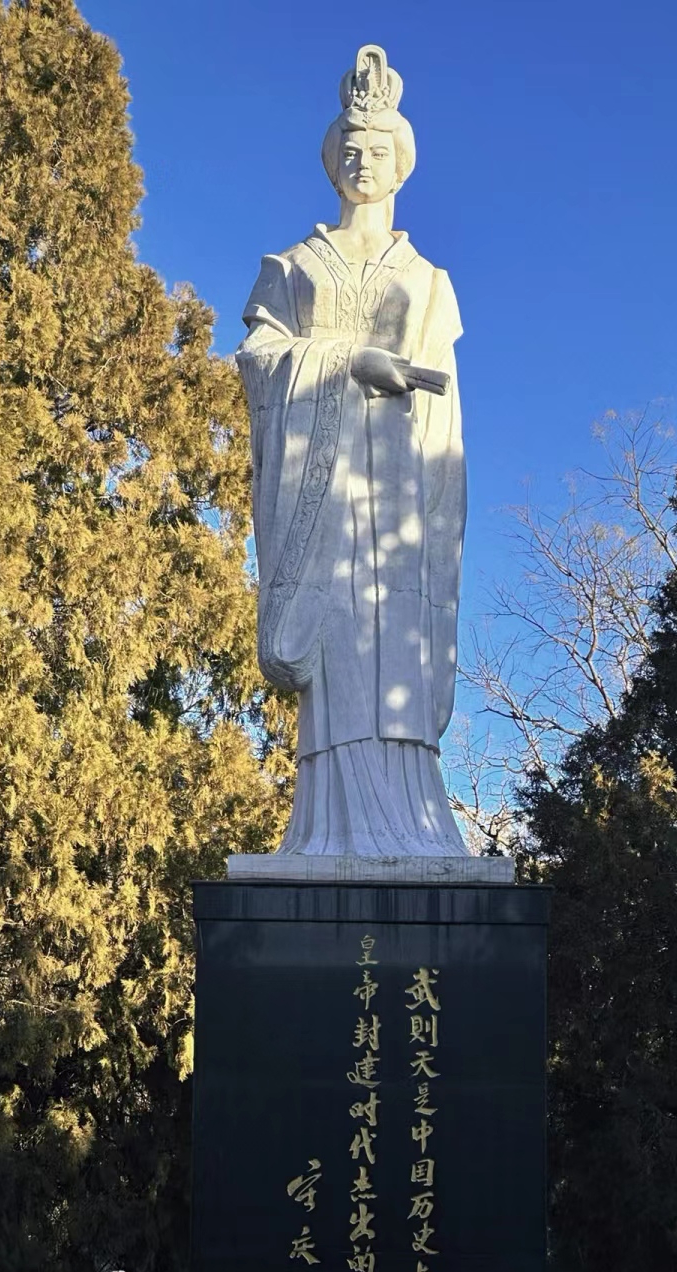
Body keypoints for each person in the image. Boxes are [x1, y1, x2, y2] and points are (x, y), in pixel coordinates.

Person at [237, 45, 468, 857]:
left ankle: (412, 819)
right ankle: (329, 826)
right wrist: (344, 362)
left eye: (378, 150)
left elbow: (448, 420)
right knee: (339, 657)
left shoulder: (429, 279)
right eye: (351, 149)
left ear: (401, 163)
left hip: (401, 500)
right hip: (324, 497)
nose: (362, 161)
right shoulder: (293, 268)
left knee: (393, 650)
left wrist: (442, 515)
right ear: (333, 158)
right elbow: (260, 362)